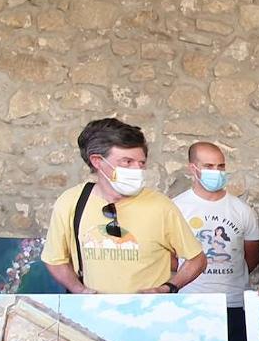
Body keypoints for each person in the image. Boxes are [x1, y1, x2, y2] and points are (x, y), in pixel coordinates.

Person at [42, 118, 206, 295]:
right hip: (94, 315)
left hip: (149, 315)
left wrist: (168, 288)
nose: (137, 169)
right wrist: (78, 290)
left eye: (141, 163)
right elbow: (55, 259)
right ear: (97, 161)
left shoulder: (161, 206)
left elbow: (197, 259)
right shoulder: (70, 202)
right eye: (127, 162)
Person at [173, 142, 259, 341]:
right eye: (209, 166)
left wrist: (226, 279)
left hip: (233, 301)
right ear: (192, 169)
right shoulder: (177, 208)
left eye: (221, 166)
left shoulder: (241, 210)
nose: (216, 172)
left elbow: (252, 257)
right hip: (191, 301)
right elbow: (171, 257)